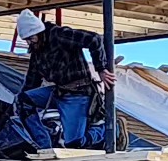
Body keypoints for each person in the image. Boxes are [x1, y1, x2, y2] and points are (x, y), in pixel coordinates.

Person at [13, 9, 115, 150]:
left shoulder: (59, 35)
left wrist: (101, 69)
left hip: (78, 93)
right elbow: (32, 80)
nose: (29, 42)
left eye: (31, 38)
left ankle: (110, 129)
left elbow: (94, 39)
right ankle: (44, 147)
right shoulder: (37, 50)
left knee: (74, 143)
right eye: (26, 40)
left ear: (39, 32)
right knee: (22, 101)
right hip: (59, 92)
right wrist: (16, 102)